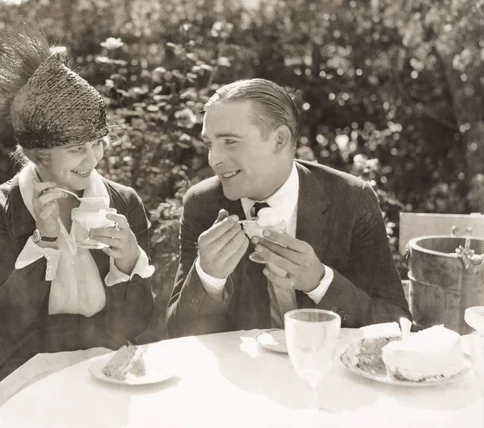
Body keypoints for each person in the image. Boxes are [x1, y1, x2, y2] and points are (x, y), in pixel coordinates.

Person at [0, 25, 154, 427]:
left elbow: (137, 323)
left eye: (98, 142)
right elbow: (10, 322)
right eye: (76, 148)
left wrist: (129, 260)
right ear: (37, 155)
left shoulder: (123, 202)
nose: (93, 158)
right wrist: (44, 238)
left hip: (103, 357)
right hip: (22, 361)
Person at [166, 78, 410, 338]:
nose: (214, 159)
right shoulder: (202, 204)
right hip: (244, 374)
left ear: (279, 140)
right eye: (209, 144)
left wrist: (320, 283)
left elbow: (397, 324)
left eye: (230, 141)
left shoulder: (352, 199)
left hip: (325, 369)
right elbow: (179, 335)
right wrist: (209, 278)